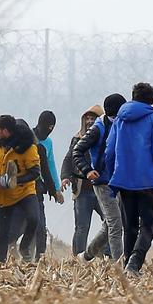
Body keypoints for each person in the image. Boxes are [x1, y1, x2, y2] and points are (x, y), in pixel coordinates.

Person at [105, 82, 153, 276]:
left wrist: (113, 176)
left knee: (130, 227)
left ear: (133, 97)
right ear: (152, 100)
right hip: (148, 181)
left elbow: (109, 152)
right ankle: (134, 264)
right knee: (148, 226)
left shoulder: (119, 120)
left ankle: (128, 265)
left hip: (124, 180)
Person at [73, 93, 127, 262]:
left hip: (118, 181)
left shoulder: (121, 124)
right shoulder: (98, 128)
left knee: (109, 225)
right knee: (116, 225)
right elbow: (77, 151)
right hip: (102, 182)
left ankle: (86, 256)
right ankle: (119, 266)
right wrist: (88, 170)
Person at [0, 115, 41, 263]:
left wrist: (15, 181)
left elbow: (35, 172)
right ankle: (1, 262)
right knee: (3, 232)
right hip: (4, 195)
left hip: (25, 192)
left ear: (6, 131)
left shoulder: (28, 148)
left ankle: (24, 247)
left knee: (34, 219)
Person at [61, 104, 104, 255]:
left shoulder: (106, 137)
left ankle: (107, 254)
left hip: (102, 189)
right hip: (82, 191)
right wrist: (65, 178)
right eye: (88, 119)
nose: (90, 122)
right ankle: (78, 256)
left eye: (93, 118)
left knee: (110, 223)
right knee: (82, 227)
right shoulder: (77, 138)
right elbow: (68, 159)